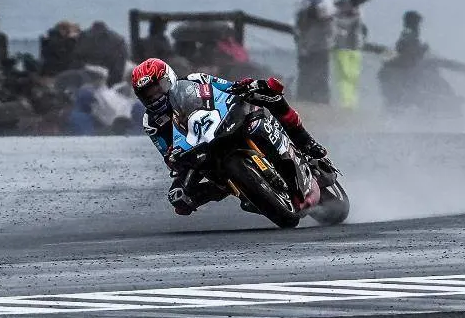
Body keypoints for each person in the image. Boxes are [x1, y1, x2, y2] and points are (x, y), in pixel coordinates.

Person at [129, 57, 328, 216]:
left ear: (168, 79)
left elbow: (228, 87)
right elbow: (167, 153)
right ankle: (242, 189)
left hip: (225, 120)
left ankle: (306, 141)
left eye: (157, 89)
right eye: (148, 94)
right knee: (179, 200)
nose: (154, 96)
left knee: (269, 94)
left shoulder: (196, 80)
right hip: (197, 147)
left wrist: (245, 86)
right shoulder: (151, 122)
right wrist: (173, 158)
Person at [294, 0, 336, 103]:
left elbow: (297, 24)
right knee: (321, 73)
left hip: (304, 44)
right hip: (321, 44)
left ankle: (303, 97)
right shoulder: (324, 0)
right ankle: (321, 99)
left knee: (304, 73)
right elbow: (329, 18)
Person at [332, 0, 373, 110]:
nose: (363, 3)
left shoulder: (356, 8)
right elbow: (335, 22)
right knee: (344, 75)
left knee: (353, 76)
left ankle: (352, 102)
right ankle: (345, 102)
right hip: (342, 45)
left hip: (355, 46)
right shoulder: (341, 5)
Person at [73, 21, 129, 85]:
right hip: (110, 76)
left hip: (86, 78)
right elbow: (121, 60)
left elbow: (76, 57)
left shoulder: (83, 36)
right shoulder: (118, 38)